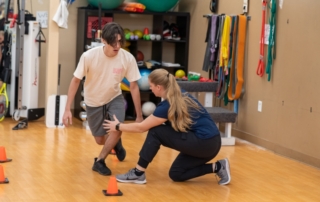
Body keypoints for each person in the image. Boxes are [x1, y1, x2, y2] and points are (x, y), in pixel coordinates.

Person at [103, 68, 231, 185]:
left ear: (159, 87)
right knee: (176, 174)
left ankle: (138, 173)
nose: (151, 89)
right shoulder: (178, 94)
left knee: (156, 131)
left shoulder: (168, 105)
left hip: (205, 143)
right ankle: (218, 167)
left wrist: (118, 126)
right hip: (211, 143)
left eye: (151, 86)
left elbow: (141, 128)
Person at [62, 22, 143, 176]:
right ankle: (116, 142)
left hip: (114, 97)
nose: (117, 46)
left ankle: (99, 161)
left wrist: (139, 116)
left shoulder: (127, 58)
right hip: (93, 101)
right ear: (104, 40)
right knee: (100, 140)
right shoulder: (89, 56)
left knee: (117, 126)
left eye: (120, 41)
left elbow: (133, 86)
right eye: (114, 42)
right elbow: (75, 81)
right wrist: (67, 109)